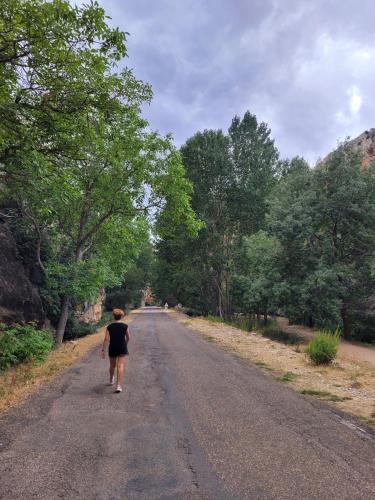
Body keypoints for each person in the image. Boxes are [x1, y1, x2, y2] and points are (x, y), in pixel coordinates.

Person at [101, 308, 130, 393]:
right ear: (121, 316)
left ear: (113, 316)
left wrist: (103, 350)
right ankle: (118, 386)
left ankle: (111, 379)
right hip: (122, 347)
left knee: (112, 365)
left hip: (112, 347)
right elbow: (128, 338)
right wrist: (125, 344)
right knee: (120, 366)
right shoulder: (125, 326)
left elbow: (106, 339)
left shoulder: (109, 327)